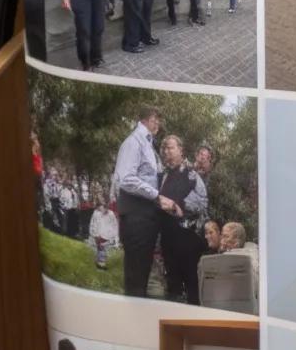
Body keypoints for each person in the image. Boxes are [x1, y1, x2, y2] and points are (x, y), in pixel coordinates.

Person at [112, 104, 175, 297]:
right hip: (136, 216)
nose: (158, 123)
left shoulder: (149, 145)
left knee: (142, 273)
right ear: (146, 119)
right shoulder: (134, 142)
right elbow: (126, 179)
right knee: (136, 275)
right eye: (156, 119)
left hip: (147, 217)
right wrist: (156, 195)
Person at [157, 134, 207, 303]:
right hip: (167, 240)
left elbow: (202, 201)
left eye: (170, 148)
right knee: (173, 287)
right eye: (164, 149)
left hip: (188, 240)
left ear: (181, 150)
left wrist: (179, 206)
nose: (167, 152)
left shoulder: (191, 174)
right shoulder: (162, 175)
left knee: (192, 285)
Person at [219, 220, 260, 302]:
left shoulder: (227, 259)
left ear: (236, 242)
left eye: (226, 236)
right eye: (222, 236)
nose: (222, 239)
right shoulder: (255, 253)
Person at [88, 195, 119, 269]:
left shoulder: (110, 214)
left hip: (106, 234)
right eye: (100, 207)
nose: (102, 209)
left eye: (104, 206)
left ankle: (101, 263)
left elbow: (114, 225)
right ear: (98, 207)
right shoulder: (96, 213)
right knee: (100, 248)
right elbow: (93, 223)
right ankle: (100, 263)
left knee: (103, 248)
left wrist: (114, 236)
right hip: (98, 234)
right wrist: (94, 233)